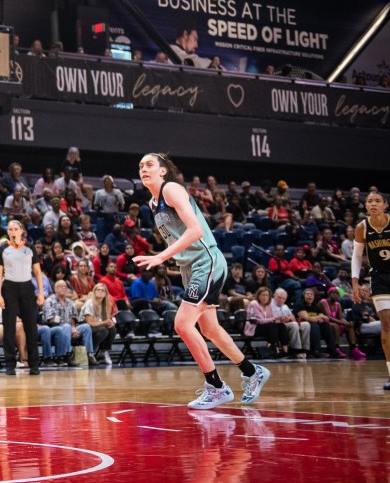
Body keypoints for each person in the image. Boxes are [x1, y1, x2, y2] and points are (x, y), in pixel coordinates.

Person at [133, 153, 269, 409]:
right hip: (190, 267)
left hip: (206, 262)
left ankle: (216, 386)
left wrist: (162, 256)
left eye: (150, 164)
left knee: (182, 324)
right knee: (209, 329)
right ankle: (252, 372)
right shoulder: (153, 203)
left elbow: (195, 230)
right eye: (140, 166)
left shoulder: (171, 189)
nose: (144, 169)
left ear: (163, 171)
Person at [0, 220, 44, 375]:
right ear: (7, 232)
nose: (13, 231)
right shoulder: (2, 249)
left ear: (22, 231)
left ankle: (34, 364)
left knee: (31, 327)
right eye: (10, 229)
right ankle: (10, 364)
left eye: (16, 229)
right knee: (9, 327)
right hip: (9, 288)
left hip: (27, 287)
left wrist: (41, 292)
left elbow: (37, 271)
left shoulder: (29, 248)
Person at [350, 190, 390, 390]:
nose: (373, 204)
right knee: (386, 323)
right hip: (380, 278)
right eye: (369, 201)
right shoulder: (362, 227)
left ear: (385, 205)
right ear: (366, 206)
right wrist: (355, 282)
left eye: (377, 201)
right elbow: (357, 257)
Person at [43, 279, 96, 366]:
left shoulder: (70, 302)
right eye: (61, 287)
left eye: (65, 287)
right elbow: (50, 319)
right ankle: (67, 355)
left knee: (86, 327)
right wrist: (67, 325)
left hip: (69, 328)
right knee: (66, 326)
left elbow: (73, 318)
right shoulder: (49, 301)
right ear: (55, 289)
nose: (63, 288)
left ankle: (89, 354)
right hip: (54, 329)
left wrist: (74, 328)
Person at [244, 287, 290, 358]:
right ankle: (275, 349)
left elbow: (271, 318)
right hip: (253, 327)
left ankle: (285, 350)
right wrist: (276, 318)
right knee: (272, 326)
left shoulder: (268, 305)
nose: (265, 297)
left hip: (265, 327)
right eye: (263, 295)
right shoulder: (254, 304)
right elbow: (260, 320)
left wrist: (282, 319)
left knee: (281, 326)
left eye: (267, 295)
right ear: (258, 296)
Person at [82, 282, 116, 365]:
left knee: (112, 329)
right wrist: (105, 322)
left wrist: (111, 322)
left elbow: (108, 319)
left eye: (102, 290)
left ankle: (104, 351)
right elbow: (90, 323)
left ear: (105, 294)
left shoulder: (106, 304)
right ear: (94, 291)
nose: (100, 292)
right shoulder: (90, 303)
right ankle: (90, 352)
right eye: (98, 290)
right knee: (104, 330)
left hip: (98, 326)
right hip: (85, 326)